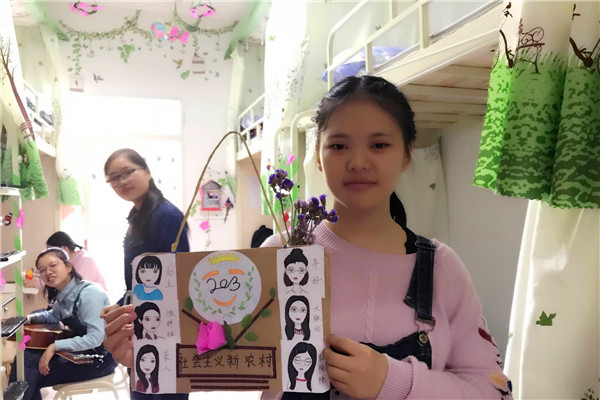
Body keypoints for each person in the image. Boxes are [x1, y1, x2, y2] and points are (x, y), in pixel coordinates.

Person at [262, 76, 513, 399]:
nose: (358, 163)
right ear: (319, 157)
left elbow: (495, 390)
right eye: (339, 146)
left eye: (379, 145)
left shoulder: (441, 268)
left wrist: (393, 381)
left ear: (407, 155)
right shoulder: (280, 254)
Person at [100, 148, 189, 400]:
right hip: (144, 321)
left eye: (127, 172)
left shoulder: (166, 215)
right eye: (113, 178)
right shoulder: (139, 215)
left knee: (163, 390)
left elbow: (174, 277)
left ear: (147, 171)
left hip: (164, 323)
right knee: (144, 389)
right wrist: (122, 304)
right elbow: (140, 280)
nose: (121, 182)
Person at [9, 248, 117, 400]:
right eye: (42, 270)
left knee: (30, 369)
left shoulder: (89, 294)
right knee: (26, 357)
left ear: (68, 266)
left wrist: (54, 347)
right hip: (81, 352)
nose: (48, 272)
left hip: (99, 359)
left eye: (53, 266)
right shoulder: (64, 293)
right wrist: (29, 318)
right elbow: (53, 314)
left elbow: (95, 338)